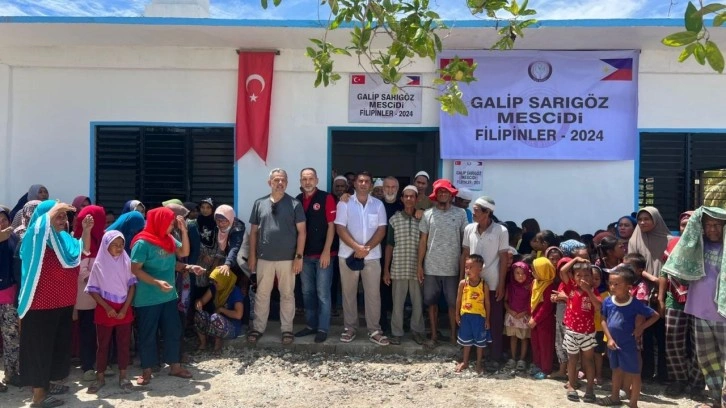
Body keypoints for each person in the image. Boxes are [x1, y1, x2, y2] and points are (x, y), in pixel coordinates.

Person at [18, 200, 92, 408]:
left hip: (62, 304)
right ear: (45, 217)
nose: (62, 220)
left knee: (56, 348)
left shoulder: (63, 239)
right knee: (40, 350)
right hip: (40, 306)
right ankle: (39, 396)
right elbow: (38, 228)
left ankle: (48, 385)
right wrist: (52, 210)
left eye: (63, 217)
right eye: (58, 216)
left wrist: (86, 229)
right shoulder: (34, 238)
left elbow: (83, 250)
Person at [662, 206, 726, 408]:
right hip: (699, 311)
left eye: (717, 224)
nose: (712, 229)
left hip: (723, 313)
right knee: (708, 361)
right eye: (708, 225)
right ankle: (716, 400)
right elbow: (675, 268)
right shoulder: (694, 246)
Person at [130, 207, 198, 385]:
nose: (171, 226)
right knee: (148, 333)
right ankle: (147, 370)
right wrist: (156, 282)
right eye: (170, 223)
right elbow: (135, 269)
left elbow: (183, 253)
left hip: (168, 296)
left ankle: (174, 366)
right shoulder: (142, 243)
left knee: (173, 330)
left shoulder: (167, 239)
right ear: (159, 222)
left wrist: (184, 232)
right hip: (148, 298)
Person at [247, 168, 306, 345]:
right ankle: (258, 328)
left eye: (283, 180)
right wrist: (252, 256)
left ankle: (287, 329)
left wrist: (299, 256)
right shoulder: (259, 203)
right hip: (264, 257)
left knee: (287, 294)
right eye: (276, 180)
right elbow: (253, 233)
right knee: (262, 294)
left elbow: (302, 232)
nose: (280, 183)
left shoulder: (295, 204)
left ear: (287, 183)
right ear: (269, 182)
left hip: (288, 259)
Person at [335, 171, 389, 345]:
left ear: (371, 185)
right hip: (348, 255)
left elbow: (382, 229)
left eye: (367, 181)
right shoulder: (344, 203)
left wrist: (366, 249)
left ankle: (374, 330)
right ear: (355, 184)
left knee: (373, 294)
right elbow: (340, 228)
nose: (364, 184)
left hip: (372, 257)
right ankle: (350, 328)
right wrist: (357, 247)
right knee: (349, 293)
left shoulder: (378, 205)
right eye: (360, 181)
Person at [599, 265, 660, 408]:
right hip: (613, 343)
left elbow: (655, 315)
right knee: (616, 371)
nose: (612, 287)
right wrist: (609, 338)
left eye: (616, 284)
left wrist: (640, 328)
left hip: (629, 344)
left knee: (634, 373)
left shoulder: (635, 304)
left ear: (628, 287)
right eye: (610, 283)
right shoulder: (608, 301)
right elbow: (603, 320)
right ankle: (615, 398)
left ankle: (633, 403)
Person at [84, 230, 136, 394]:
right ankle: (100, 377)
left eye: (121, 245)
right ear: (106, 246)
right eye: (115, 245)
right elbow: (92, 289)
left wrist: (125, 308)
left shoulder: (127, 262)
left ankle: (123, 376)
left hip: (123, 308)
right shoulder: (99, 265)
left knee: (123, 343)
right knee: (103, 345)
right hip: (105, 309)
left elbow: (132, 286)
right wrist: (107, 308)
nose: (119, 248)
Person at [419, 179, 468, 348]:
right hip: (431, 266)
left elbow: (465, 242)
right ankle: (433, 335)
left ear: (451, 194)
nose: (443, 194)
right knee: (431, 303)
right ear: (435, 195)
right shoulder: (428, 214)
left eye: (446, 191)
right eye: (440, 192)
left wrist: (464, 266)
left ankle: (454, 336)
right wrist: (420, 264)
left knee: (453, 304)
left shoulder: (460, 214)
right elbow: (423, 241)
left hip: (453, 268)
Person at [661, 211, 704, 399]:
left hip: (700, 301)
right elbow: (664, 272)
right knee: (673, 342)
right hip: (673, 298)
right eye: (682, 225)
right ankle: (679, 380)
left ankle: (697, 384)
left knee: (699, 344)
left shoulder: (706, 246)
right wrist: (661, 299)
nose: (685, 228)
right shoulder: (672, 244)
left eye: (690, 225)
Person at [461, 195, 508, 364]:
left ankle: (494, 356)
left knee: (493, 320)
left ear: (487, 212)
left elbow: (503, 258)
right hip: (472, 283)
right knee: (471, 317)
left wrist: (502, 283)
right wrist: (462, 278)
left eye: (476, 210)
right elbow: (465, 254)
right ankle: (472, 355)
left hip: (493, 282)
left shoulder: (501, 231)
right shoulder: (469, 229)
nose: (473, 213)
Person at [294, 168, 337, 343]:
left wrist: (327, 251)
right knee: (307, 292)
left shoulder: (327, 198)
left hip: (324, 255)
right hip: (305, 256)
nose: (307, 182)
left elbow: (332, 226)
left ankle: (322, 328)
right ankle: (311, 325)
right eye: (304, 179)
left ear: (317, 180)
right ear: (300, 181)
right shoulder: (297, 201)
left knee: (322, 293)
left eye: (310, 178)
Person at [383, 185, 425, 345]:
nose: (408, 199)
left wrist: (422, 266)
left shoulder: (423, 218)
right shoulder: (394, 219)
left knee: (418, 303)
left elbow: (425, 242)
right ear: (401, 199)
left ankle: (417, 331)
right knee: (397, 303)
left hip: (417, 268)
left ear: (416, 199)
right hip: (398, 267)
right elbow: (389, 245)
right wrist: (386, 269)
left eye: (412, 196)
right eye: (405, 196)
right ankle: (397, 333)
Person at [559, 256, 601, 403]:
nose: (583, 278)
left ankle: (589, 388)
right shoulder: (570, 287)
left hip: (588, 332)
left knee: (588, 360)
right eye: (579, 275)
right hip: (571, 331)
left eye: (586, 275)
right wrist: (576, 258)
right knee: (572, 359)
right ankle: (571, 385)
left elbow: (598, 307)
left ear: (591, 277)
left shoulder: (593, 291)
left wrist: (588, 290)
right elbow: (563, 270)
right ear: (574, 277)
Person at [72, 205, 107, 382]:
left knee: (101, 330)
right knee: (87, 331)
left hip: (103, 296)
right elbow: (80, 270)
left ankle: (101, 364)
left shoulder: (104, 239)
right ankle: (88, 366)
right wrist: (96, 283)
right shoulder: (77, 240)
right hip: (86, 296)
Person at [455, 254, 491, 374]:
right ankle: (465, 362)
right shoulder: (462, 284)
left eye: (471, 267)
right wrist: (456, 314)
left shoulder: (483, 284)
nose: (467, 270)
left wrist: (487, 319)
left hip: (479, 318)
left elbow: (487, 302)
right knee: (466, 341)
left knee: (480, 343)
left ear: (480, 269)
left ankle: (479, 363)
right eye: (466, 267)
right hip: (466, 316)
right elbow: (458, 300)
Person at [194, 267, 244, 352]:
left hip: (231, 327)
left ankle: (217, 345)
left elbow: (238, 315)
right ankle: (203, 343)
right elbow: (202, 301)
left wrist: (221, 309)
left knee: (215, 318)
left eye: (216, 282)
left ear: (224, 281)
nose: (214, 284)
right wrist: (198, 303)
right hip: (214, 324)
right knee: (199, 315)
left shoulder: (235, 291)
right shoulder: (214, 288)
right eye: (213, 281)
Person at [0, 207, 19, 391]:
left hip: (8, 296)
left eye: (4, 219)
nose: (1, 224)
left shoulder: (13, 238)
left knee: (11, 337)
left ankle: (12, 374)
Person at [529, 257, 556, 380]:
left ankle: (545, 369)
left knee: (545, 345)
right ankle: (537, 364)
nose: (532, 273)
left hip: (544, 321)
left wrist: (536, 319)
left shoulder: (549, 286)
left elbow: (547, 307)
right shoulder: (535, 283)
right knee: (535, 344)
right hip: (534, 318)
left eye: (535, 270)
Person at [503, 261, 532, 373]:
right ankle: (513, 358)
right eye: (517, 273)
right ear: (513, 274)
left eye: (523, 273)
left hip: (524, 316)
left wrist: (524, 312)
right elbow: (505, 301)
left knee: (524, 338)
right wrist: (510, 310)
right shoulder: (510, 286)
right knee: (513, 337)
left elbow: (531, 302)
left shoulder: (529, 287)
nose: (520, 276)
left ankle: (522, 359)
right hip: (512, 315)